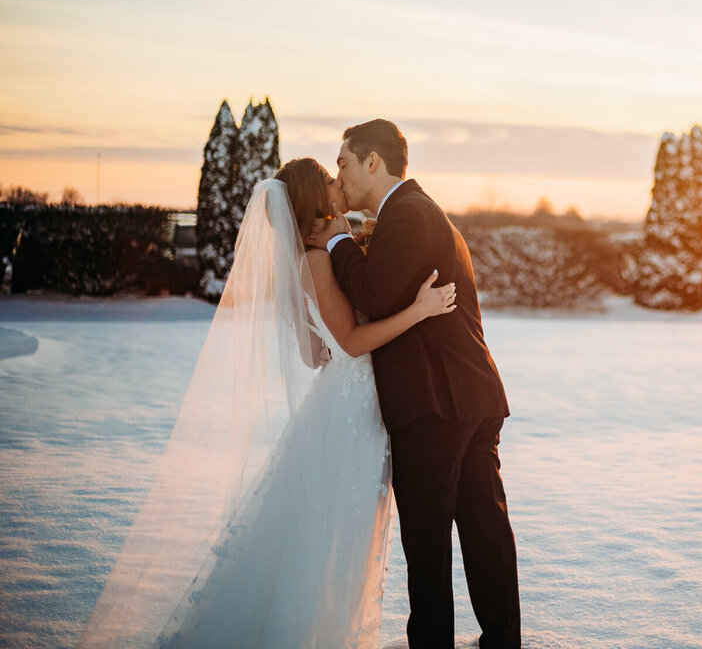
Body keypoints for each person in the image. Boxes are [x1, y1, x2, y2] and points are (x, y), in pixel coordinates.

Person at [78, 159, 457, 648]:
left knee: (334, 537)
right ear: (314, 199)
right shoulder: (319, 260)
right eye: (328, 180)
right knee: (334, 540)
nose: (337, 183)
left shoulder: (309, 257)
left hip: (341, 405)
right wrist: (417, 311)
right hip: (351, 412)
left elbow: (312, 350)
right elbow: (351, 344)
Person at [310, 119, 521, 649]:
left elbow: (374, 296)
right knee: (483, 526)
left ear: (373, 162)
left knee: (427, 540)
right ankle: (502, 639)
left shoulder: (405, 215)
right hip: (471, 393)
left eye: (343, 163)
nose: (339, 173)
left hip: (433, 403)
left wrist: (336, 239)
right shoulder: (426, 213)